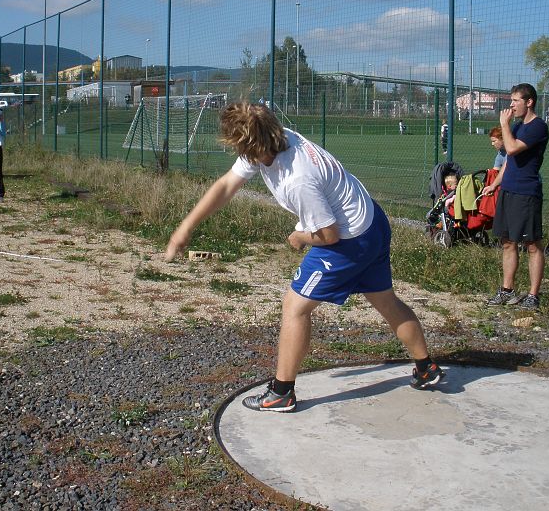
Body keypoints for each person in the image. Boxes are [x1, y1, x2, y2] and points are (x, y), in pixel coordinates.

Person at [164, 102, 444, 412]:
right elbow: (227, 186)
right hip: (371, 221)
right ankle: (426, 367)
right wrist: (185, 228)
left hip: (348, 240)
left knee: (295, 306)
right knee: (385, 300)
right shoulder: (277, 138)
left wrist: (299, 236)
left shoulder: (297, 179)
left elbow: (328, 235)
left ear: (248, 146)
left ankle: (282, 392)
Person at [481, 83, 549, 310]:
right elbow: (508, 163)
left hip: (526, 193)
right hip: (508, 191)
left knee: (532, 244)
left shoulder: (537, 127)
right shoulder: (518, 126)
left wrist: (503, 125)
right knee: (507, 242)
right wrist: (494, 185)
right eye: (511, 101)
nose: (510, 105)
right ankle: (507, 289)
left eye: (515, 101)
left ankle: (533, 295)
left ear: (529, 102)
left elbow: (510, 149)